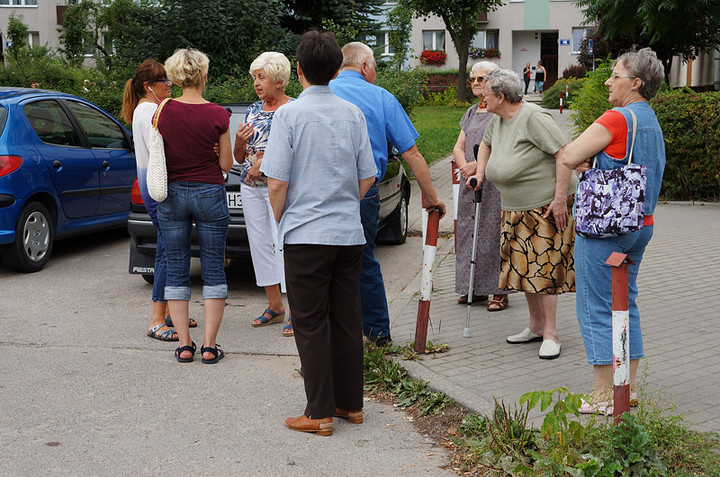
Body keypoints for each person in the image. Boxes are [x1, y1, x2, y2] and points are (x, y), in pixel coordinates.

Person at [261, 29, 377, 436]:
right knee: (347, 319)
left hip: (306, 232)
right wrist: (343, 201)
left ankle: (319, 412)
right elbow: (368, 175)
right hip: (348, 233)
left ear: (298, 71)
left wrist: (282, 218)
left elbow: (275, 182)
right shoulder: (353, 113)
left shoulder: (288, 116)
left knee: (310, 323)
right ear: (335, 68)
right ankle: (351, 405)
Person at [559, 48, 666, 414]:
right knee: (626, 304)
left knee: (596, 306)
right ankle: (627, 389)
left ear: (635, 83)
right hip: (642, 224)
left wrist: (575, 177)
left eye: (615, 75)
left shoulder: (617, 118)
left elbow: (569, 155)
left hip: (606, 228)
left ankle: (605, 395)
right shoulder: (650, 119)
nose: (607, 81)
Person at [329, 41, 446, 345]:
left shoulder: (317, 94)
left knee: (324, 263)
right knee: (364, 261)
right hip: (363, 192)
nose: (375, 74)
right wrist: (431, 197)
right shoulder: (381, 97)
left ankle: (332, 336)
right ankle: (378, 335)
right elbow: (412, 154)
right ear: (365, 67)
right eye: (375, 68)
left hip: (319, 193)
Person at [468, 69, 576, 360]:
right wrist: (480, 173)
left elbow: (564, 154)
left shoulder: (534, 118)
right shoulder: (499, 119)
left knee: (544, 269)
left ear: (501, 97)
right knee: (523, 267)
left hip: (545, 205)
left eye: (487, 92)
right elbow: (486, 146)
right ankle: (536, 326)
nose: (482, 96)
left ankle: (552, 334)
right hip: (514, 206)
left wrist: (560, 200)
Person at [156, 48, 233, 364]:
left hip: (172, 193)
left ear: (175, 76)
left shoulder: (163, 111)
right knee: (213, 266)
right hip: (209, 192)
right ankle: (210, 346)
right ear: (203, 75)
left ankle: (185, 345)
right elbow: (227, 163)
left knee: (176, 265)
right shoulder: (219, 114)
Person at [121, 59, 198, 342]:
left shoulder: (143, 109)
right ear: (147, 86)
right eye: (163, 80)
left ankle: (167, 313)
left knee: (168, 249)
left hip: (151, 188)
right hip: (160, 191)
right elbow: (168, 149)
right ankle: (156, 320)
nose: (169, 84)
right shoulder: (153, 110)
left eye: (168, 79)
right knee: (167, 251)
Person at [234, 52, 295, 336]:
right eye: (254, 77)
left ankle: (295, 310)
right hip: (251, 188)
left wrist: (263, 163)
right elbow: (238, 157)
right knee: (259, 245)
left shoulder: (294, 109)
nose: (256, 83)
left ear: (279, 80)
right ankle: (275, 305)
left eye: (262, 77)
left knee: (284, 245)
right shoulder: (252, 111)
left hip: (280, 189)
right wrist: (238, 141)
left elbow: (296, 151)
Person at [452, 61, 509, 312]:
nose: (475, 83)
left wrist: (478, 166)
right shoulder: (472, 112)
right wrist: (465, 165)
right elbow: (458, 145)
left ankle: (498, 291)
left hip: (493, 180)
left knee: (492, 233)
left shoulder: (501, 111)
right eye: (473, 79)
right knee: (468, 232)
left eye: (481, 78)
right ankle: (471, 287)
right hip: (470, 181)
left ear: (494, 80)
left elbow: (504, 147)